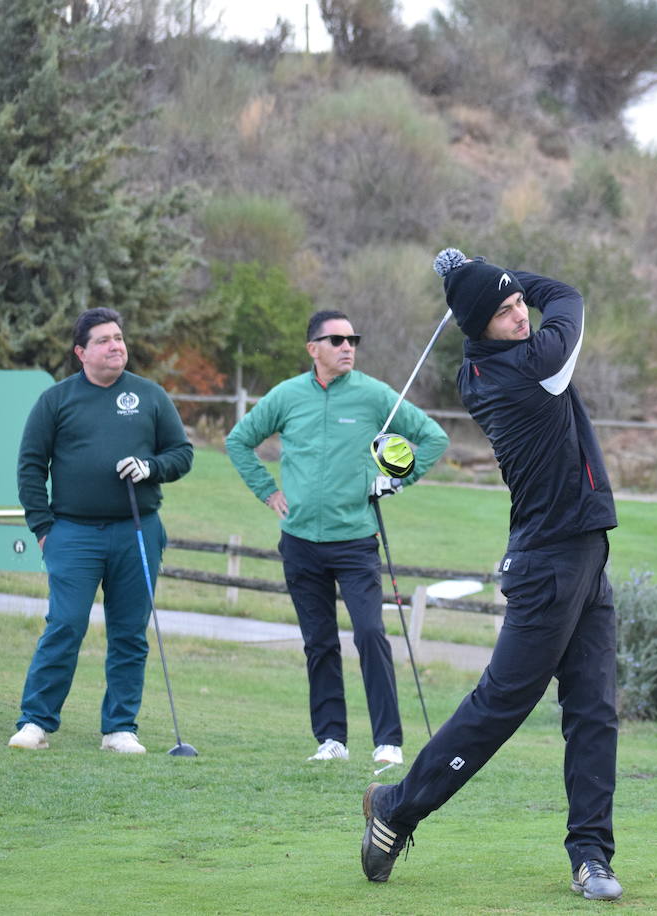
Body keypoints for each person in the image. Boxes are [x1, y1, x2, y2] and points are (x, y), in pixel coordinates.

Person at [359, 249, 623, 901]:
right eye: (504, 313)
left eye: (517, 307)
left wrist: (478, 276)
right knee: (501, 705)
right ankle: (395, 807)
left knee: (595, 709)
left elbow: (533, 303)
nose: (520, 318)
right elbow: (565, 292)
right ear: (478, 328)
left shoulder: (495, 359)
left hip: (585, 553)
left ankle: (591, 855)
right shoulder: (527, 371)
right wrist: (496, 270)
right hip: (548, 564)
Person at [226, 310, 448, 766]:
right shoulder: (287, 396)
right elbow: (238, 440)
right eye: (337, 340)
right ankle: (332, 740)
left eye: (353, 340)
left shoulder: (373, 395)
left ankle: (388, 741)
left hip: (355, 540)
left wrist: (397, 479)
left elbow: (433, 437)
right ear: (313, 349)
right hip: (300, 541)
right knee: (319, 642)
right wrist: (267, 491)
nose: (348, 347)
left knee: (369, 633)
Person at [8, 307, 193, 754]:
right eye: (104, 340)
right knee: (66, 624)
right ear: (81, 352)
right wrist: (43, 527)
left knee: (129, 632)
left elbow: (182, 454)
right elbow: (31, 466)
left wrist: (150, 467)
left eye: (119, 337)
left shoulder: (149, 396)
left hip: (137, 530)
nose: (116, 345)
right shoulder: (56, 400)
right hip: (72, 532)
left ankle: (119, 728)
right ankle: (35, 721)